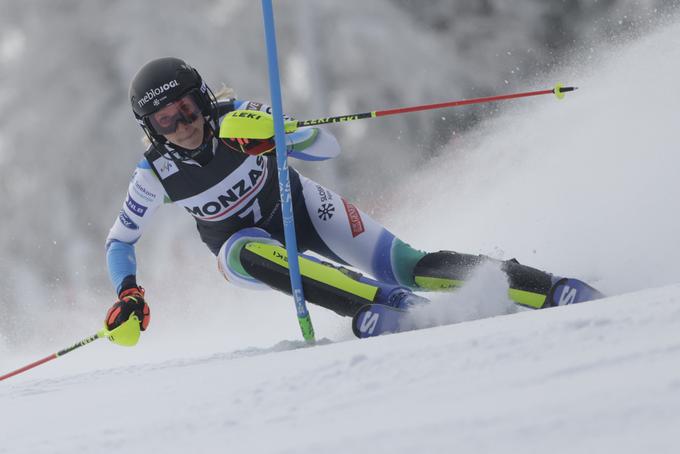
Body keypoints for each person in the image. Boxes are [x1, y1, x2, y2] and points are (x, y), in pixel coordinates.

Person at [104, 57, 601, 335]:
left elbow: (326, 145)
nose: (183, 126)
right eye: (165, 120)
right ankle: (389, 308)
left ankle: (548, 287)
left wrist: (281, 137)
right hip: (243, 251)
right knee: (246, 250)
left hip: (302, 207)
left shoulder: (240, 115)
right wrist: (129, 293)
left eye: (187, 108)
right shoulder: (156, 173)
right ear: (150, 129)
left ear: (204, 97)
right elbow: (119, 241)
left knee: (408, 263)